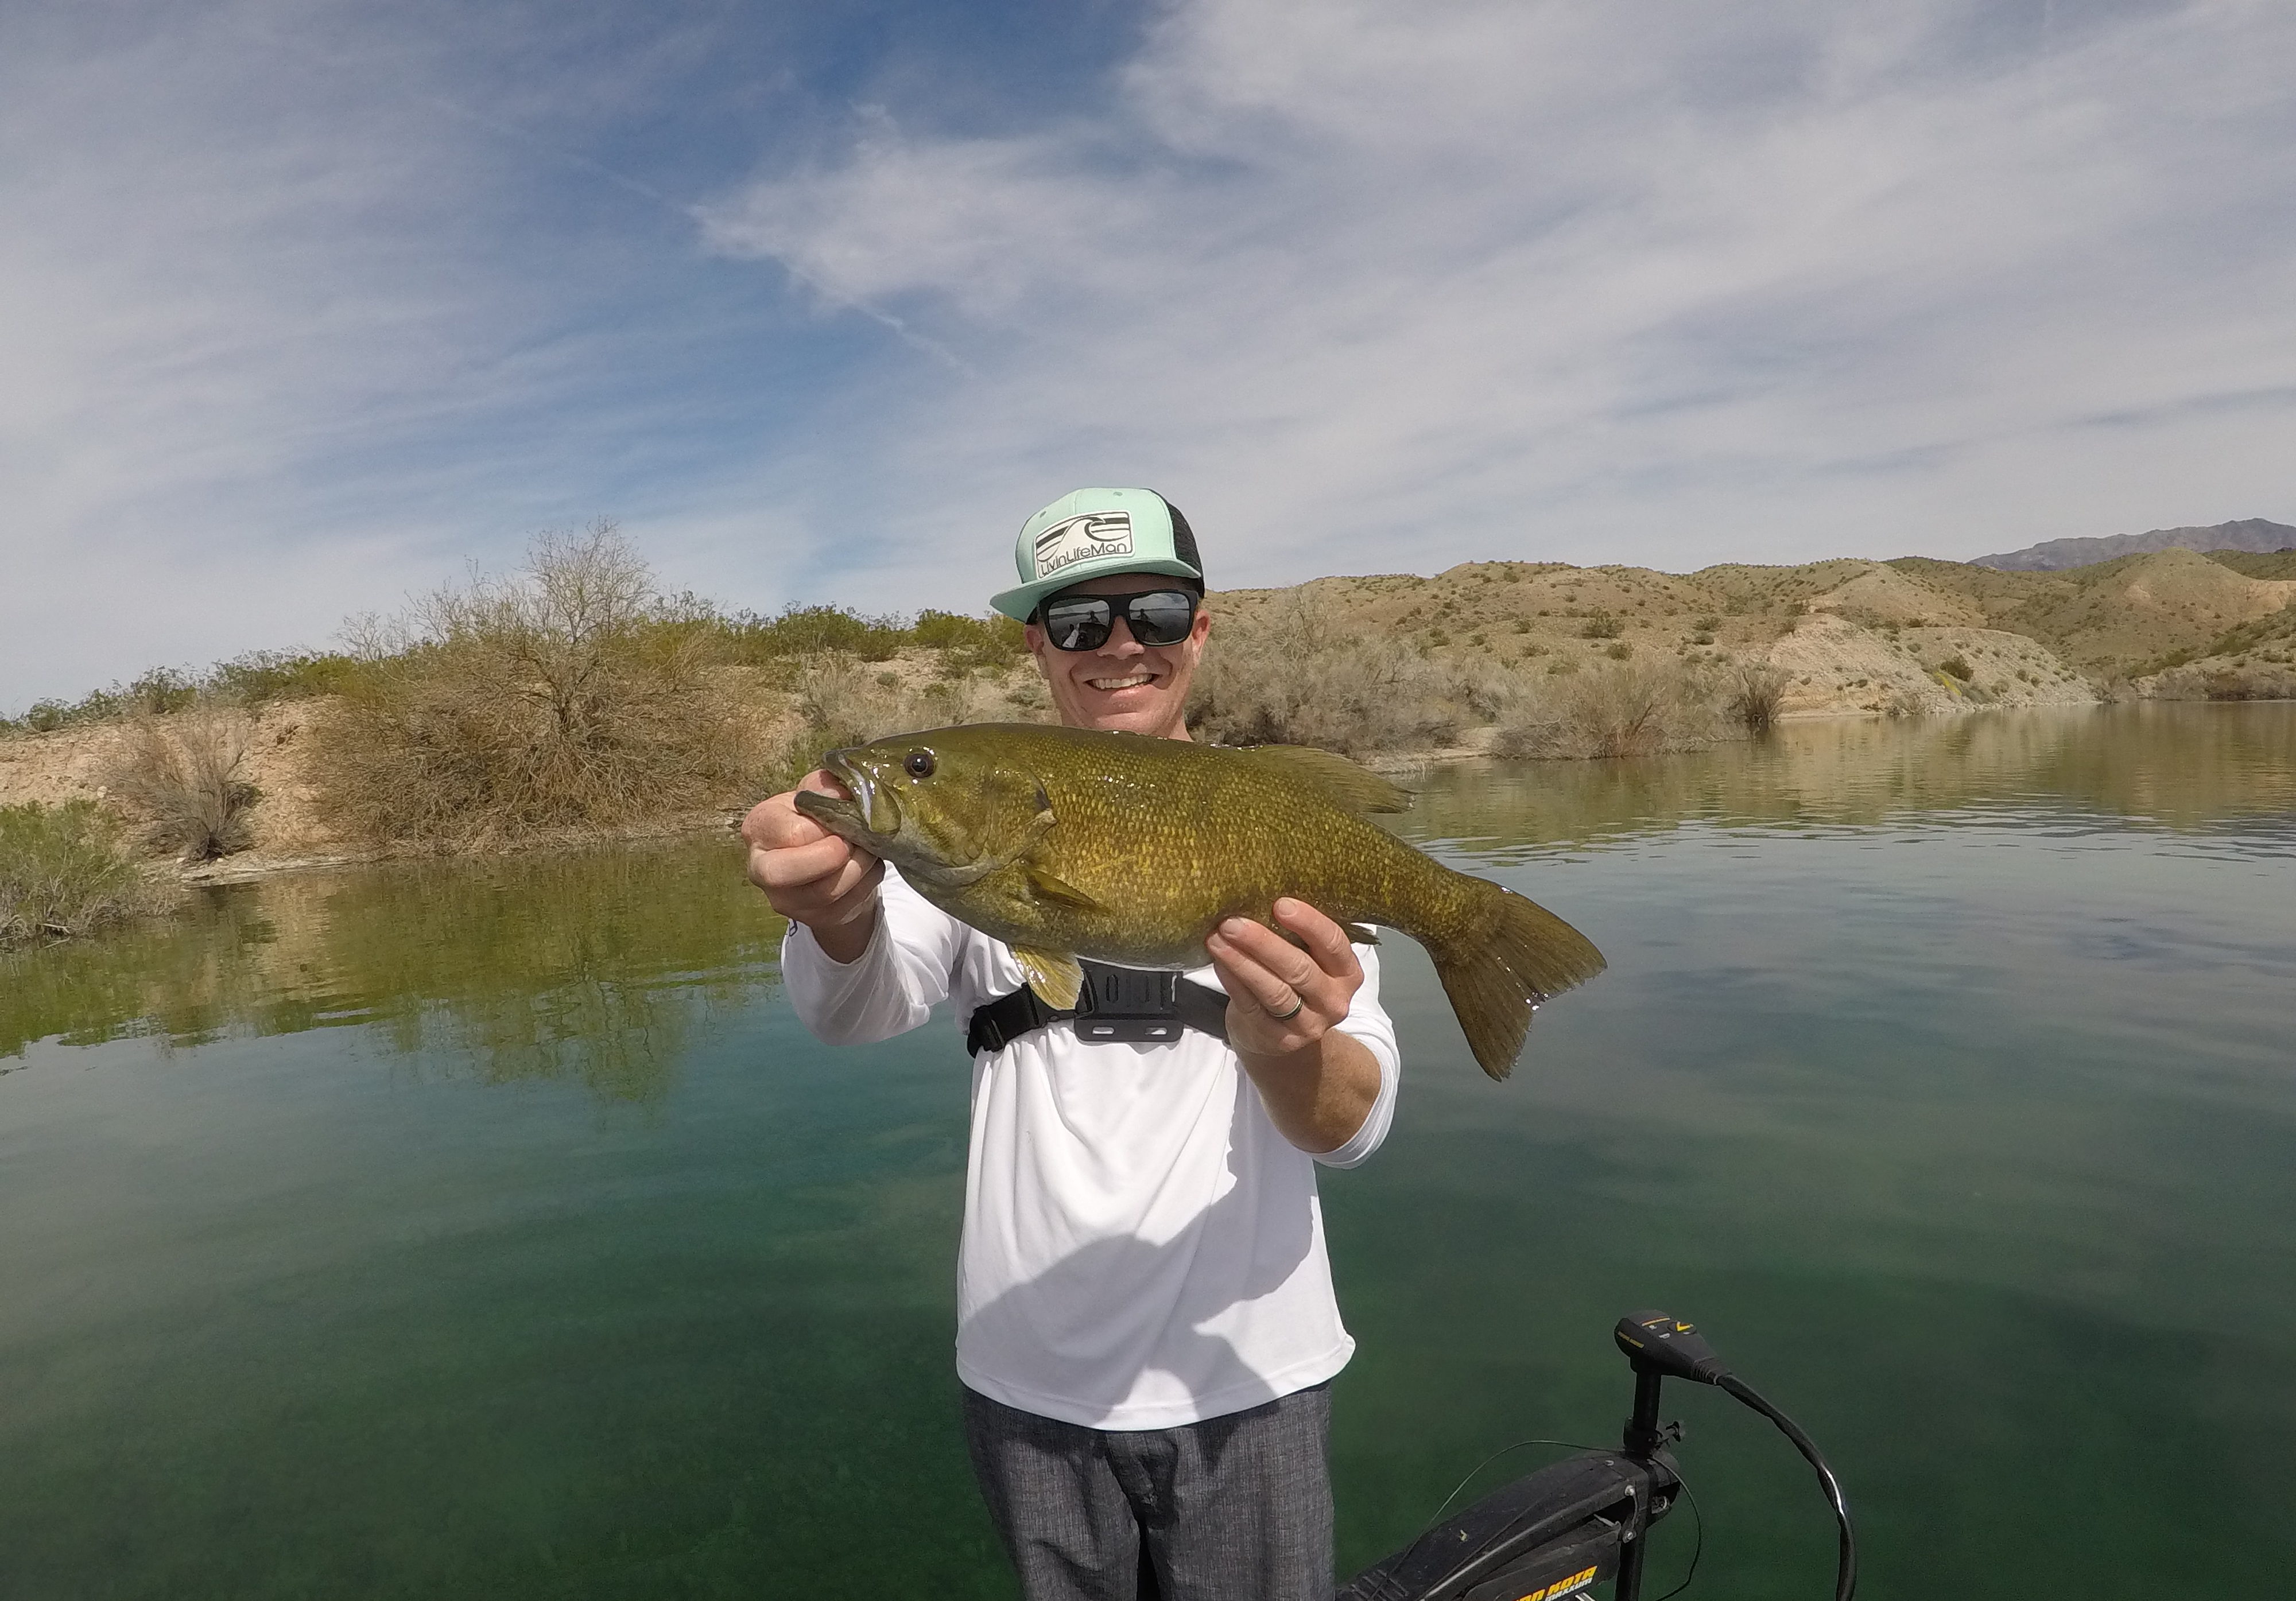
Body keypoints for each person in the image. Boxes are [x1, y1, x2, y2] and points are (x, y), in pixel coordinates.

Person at [740, 488, 1400, 1601]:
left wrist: (1285, 1045)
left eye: (1150, 609)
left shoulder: (1272, 825)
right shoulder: (964, 864)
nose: (1118, 645)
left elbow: (1354, 1125)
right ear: (1037, 646)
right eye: (1078, 623)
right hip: (1026, 1385)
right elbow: (853, 1007)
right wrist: (833, 909)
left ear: (1199, 627)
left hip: (1250, 1380)